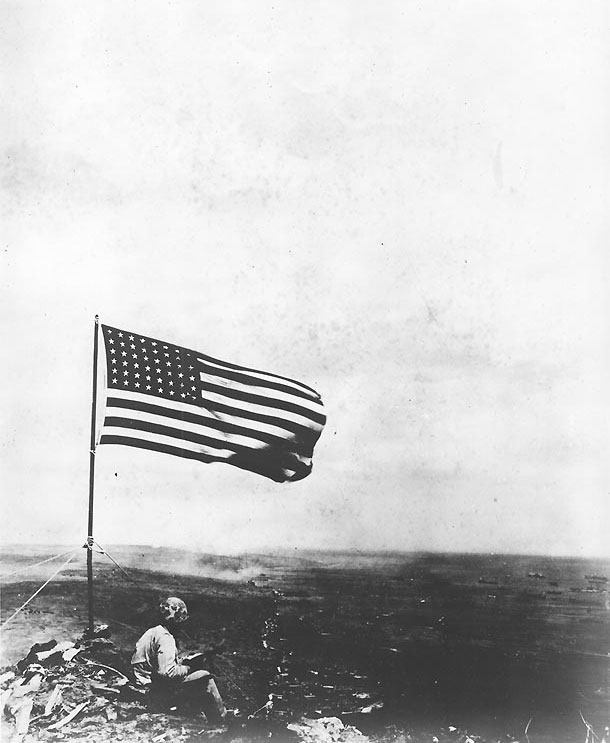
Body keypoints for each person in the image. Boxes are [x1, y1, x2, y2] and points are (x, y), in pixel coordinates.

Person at [131, 596, 226, 722]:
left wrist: (181, 662)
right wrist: (190, 667)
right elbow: (168, 673)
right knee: (205, 677)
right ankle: (222, 719)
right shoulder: (165, 638)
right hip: (153, 689)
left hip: (142, 680)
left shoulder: (154, 631)